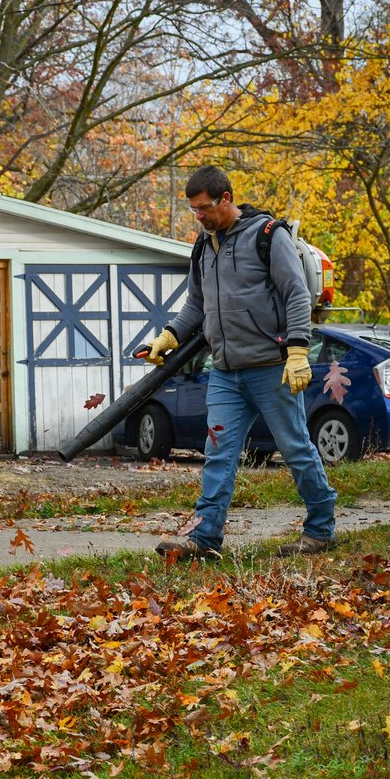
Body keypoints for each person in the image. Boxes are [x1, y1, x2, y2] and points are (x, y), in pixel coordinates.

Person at [148, 165, 336, 560]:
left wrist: (298, 350)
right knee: (218, 453)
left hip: (272, 368)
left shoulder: (268, 235)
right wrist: (170, 334)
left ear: (226, 199)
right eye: (193, 210)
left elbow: (296, 294)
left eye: (204, 208)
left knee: (296, 448)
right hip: (225, 373)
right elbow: (196, 305)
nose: (198, 216)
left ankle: (321, 529)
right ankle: (204, 539)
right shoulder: (203, 246)